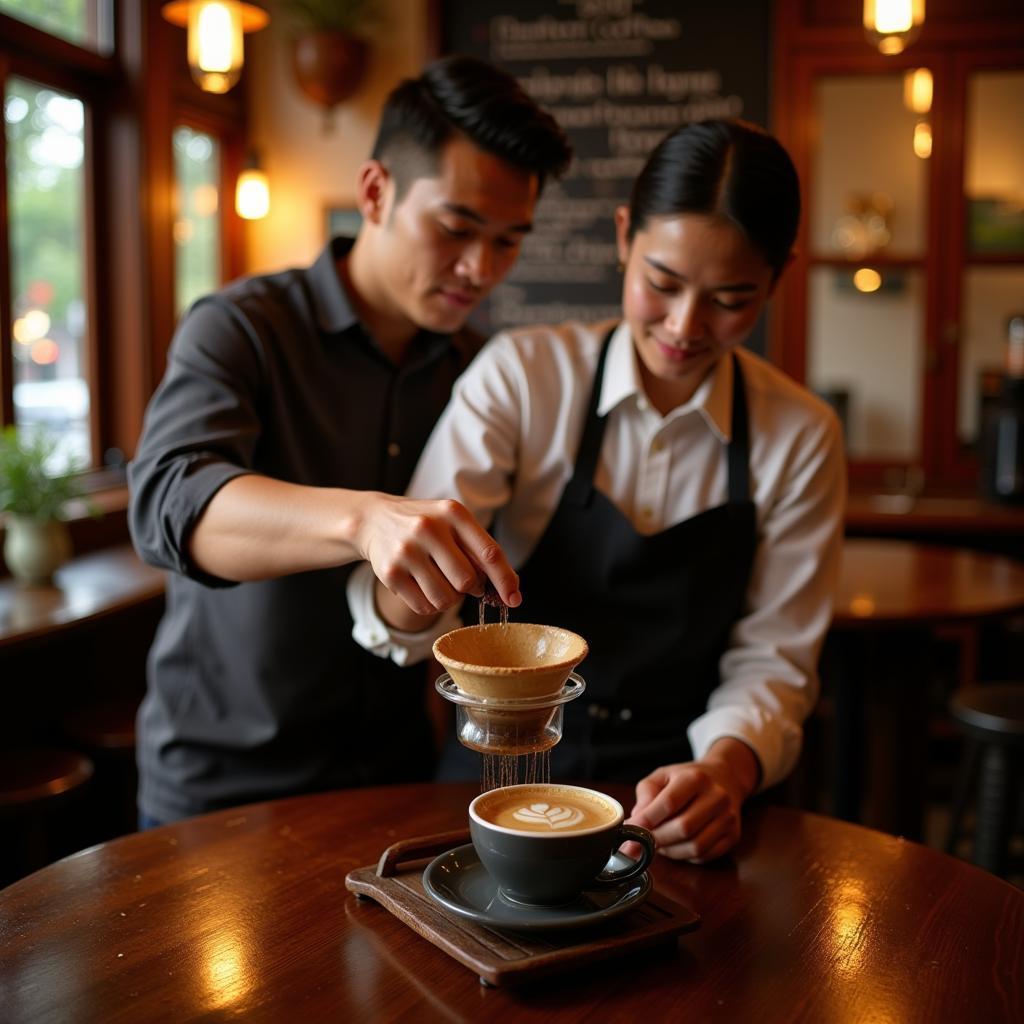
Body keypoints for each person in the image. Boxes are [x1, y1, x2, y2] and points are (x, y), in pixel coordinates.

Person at [349, 119, 846, 863]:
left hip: (678, 797)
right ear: (623, 237)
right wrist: (411, 579)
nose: (685, 326)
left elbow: (774, 657)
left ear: (780, 276)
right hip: (499, 778)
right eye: (662, 283)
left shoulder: (800, 435)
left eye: (731, 298)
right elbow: (409, 608)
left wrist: (725, 770)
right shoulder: (523, 378)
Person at [128, 56, 572, 826]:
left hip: (394, 774)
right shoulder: (243, 327)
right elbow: (169, 503)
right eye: (456, 228)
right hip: (224, 778)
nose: (480, 269)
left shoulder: (479, 368)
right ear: (375, 192)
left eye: (508, 241)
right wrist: (363, 519)